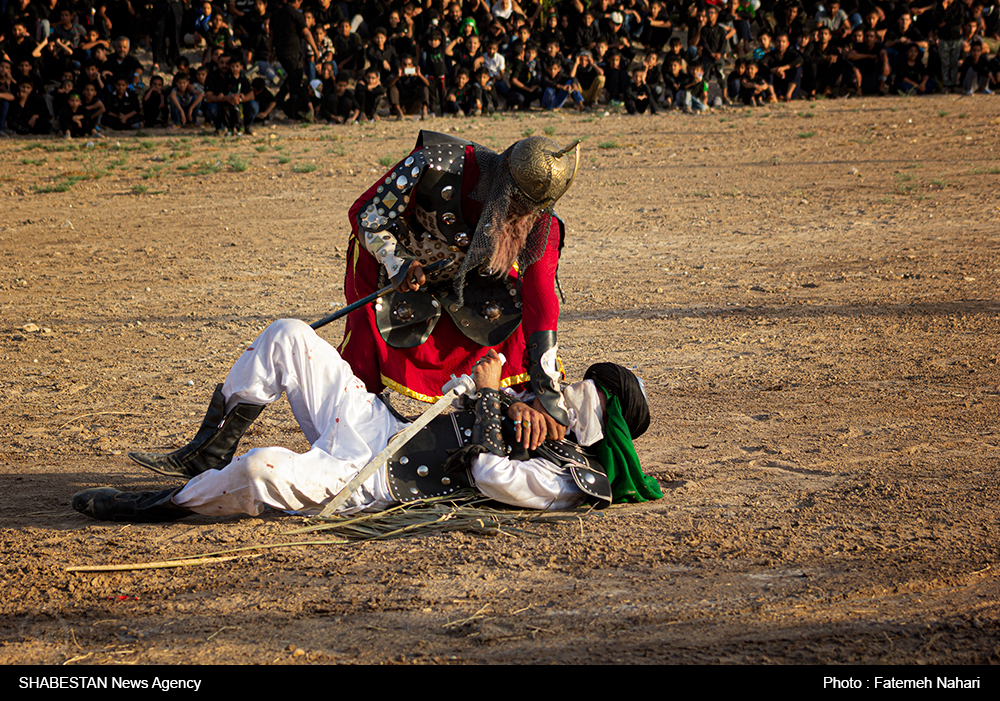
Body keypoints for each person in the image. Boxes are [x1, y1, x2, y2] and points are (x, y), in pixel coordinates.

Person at [73, 319, 662, 522]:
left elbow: (488, 478)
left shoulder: (572, 479)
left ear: (602, 428)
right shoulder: (535, 407)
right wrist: (508, 398)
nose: (564, 399)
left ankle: (160, 505)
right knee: (290, 337)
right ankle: (207, 448)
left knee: (260, 471)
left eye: (586, 400)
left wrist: (487, 400)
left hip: (377, 481)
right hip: (380, 426)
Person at [339, 131, 580, 440]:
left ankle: (507, 404)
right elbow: (367, 214)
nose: (521, 216)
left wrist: (549, 398)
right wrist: (397, 261)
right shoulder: (437, 162)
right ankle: (353, 420)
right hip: (393, 266)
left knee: (513, 325)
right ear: (502, 174)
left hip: (465, 275)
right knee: (366, 335)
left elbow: (540, 301)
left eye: (531, 209)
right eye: (516, 202)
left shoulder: (541, 221)